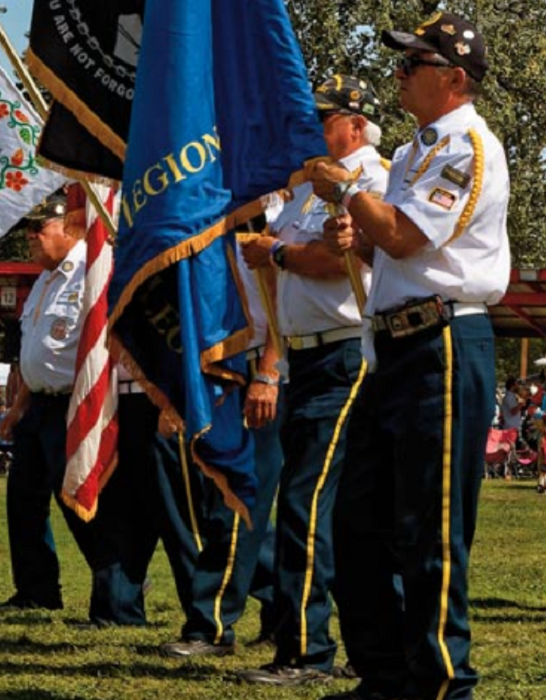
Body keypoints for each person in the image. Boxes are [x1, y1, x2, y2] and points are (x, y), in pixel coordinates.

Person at [311, 13, 510, 700]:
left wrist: (344, 190)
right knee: (358, 521)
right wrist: (355, 229)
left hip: (444, 343)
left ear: (455, 79)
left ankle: (443, 684)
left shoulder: (469, 148)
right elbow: (388, 247)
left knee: (430, 526)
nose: (398, 73)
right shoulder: (417, 151)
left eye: (413, 63)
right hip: (397, 343)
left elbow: (403, 238)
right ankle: (386, 673)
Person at [237, 74, 388, 686]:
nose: (313, 129)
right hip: (306, 355)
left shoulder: (368, 180)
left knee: (307, 502)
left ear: (356, 124)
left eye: (325, 118)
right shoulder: (306, 189)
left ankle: (306, 651)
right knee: (328, 508)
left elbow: (334, 261)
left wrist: (275, 253)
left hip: (347, 353)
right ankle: (348, 641)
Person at [0, 192, 146, 624]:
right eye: (28, 230)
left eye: (40, 229)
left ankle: (120, 585)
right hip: (37, 405)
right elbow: (35, 349)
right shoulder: (43, 280)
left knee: (78, 497)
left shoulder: (92, 273)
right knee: (23, 500)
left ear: (70, 228)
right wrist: (18, 405)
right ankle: (36, 590)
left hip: (74, 404)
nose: (31, 238)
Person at [159, 241, 284, 657]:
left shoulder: (268, 212)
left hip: (263, 367)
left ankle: (209, 623)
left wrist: (269, 372)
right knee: (242, 501)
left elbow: (281, 299)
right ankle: (281, 614)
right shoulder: (220, 216)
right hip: (226, 365)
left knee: (238, 498)